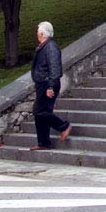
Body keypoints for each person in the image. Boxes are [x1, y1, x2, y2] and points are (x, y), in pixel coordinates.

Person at [29, 20, 72, 150]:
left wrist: (51, 86)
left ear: (42, 33)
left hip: (47, 84)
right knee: (40, 112)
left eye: (38, 31)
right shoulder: (45, 46)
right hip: (43, 84)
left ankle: (64, 126)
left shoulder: (51, 47)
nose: (36, 33)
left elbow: (55, 68)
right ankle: (43, 142)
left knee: (40, 111)